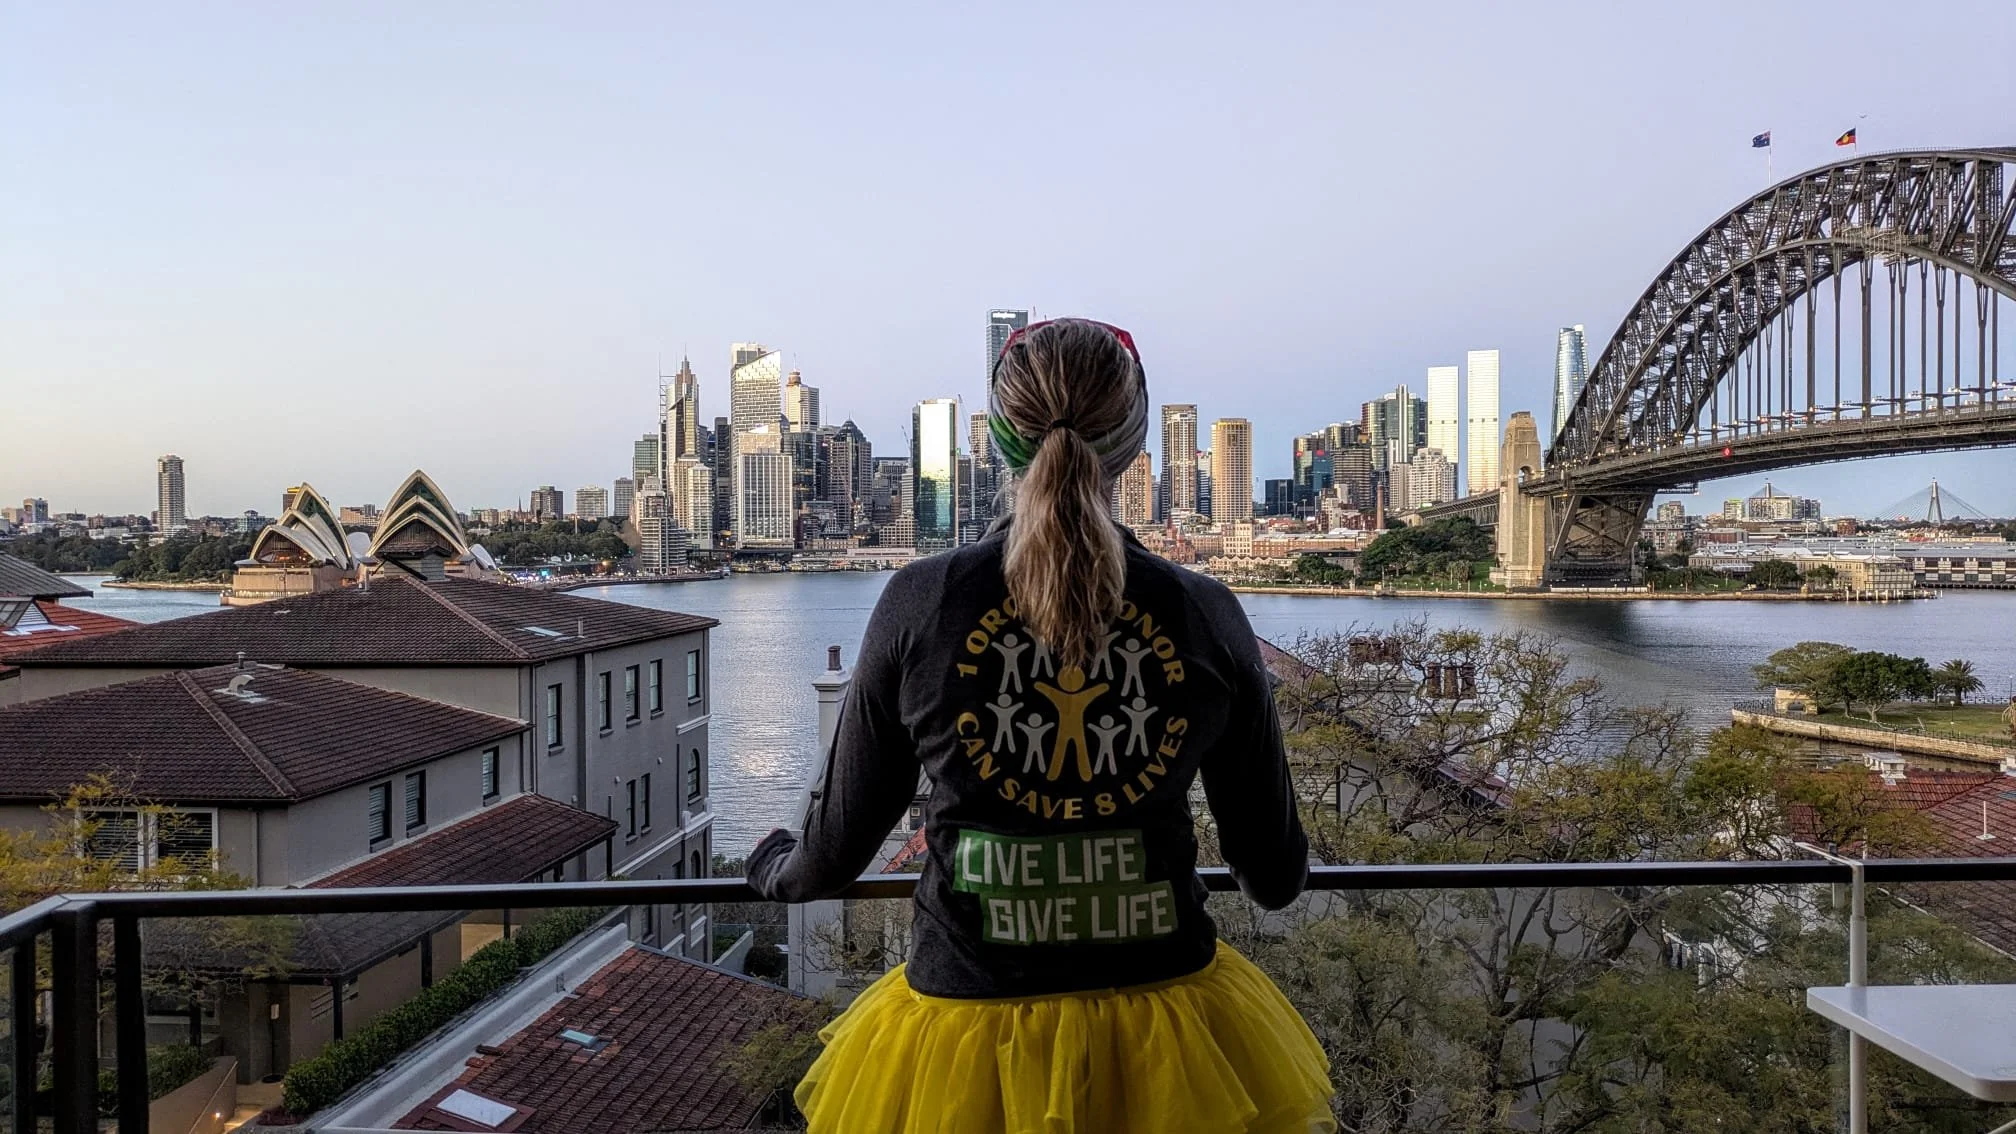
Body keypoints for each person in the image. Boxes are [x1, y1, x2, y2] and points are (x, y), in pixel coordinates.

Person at [747, 318, 1333, 1133]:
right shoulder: (1206, 612)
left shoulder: (923, 601)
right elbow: (1274, 877)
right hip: (1171, 1045)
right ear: (1131, 446)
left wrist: (773, 865)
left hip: (966, 1041)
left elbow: (834, 853)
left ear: (1003, 443)